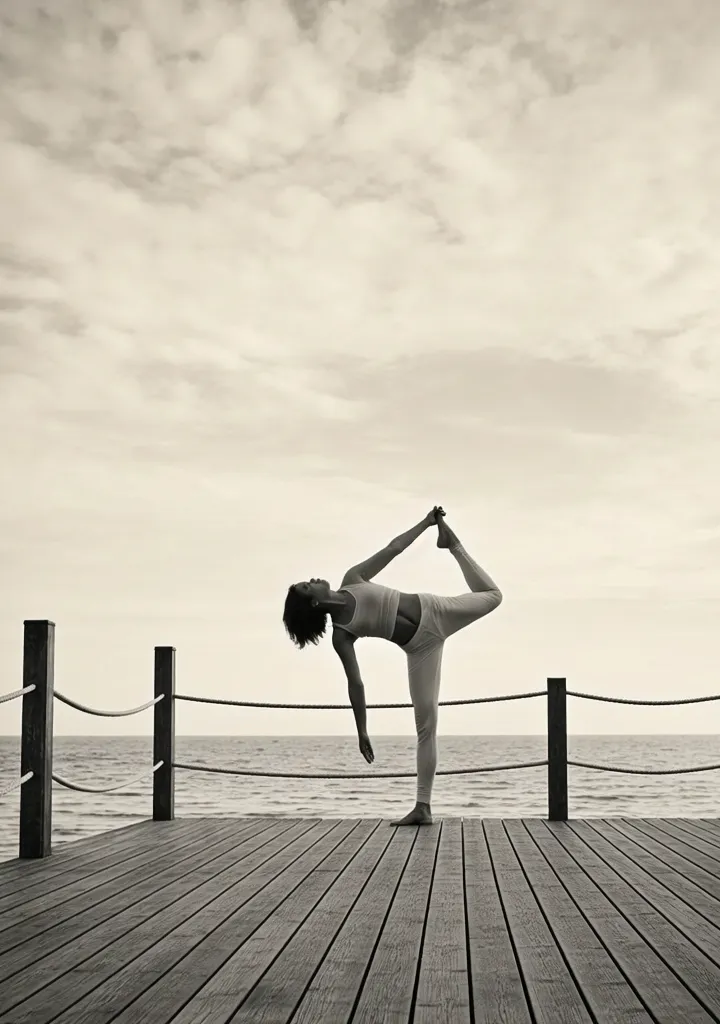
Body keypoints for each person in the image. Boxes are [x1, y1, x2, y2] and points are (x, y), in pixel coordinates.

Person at [283, 506, 502, 826]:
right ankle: (423, 808)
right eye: (307, 585)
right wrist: (362, 731)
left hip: (435, 610)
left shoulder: (352, 579)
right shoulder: (342, 636)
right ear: (313, 603)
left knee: (493, 596)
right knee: (426, 726)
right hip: (420, 649)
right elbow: (356, 684)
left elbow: (393, 549)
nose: (313, 579)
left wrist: (427, 524)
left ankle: (452, 545)